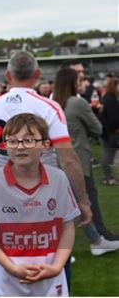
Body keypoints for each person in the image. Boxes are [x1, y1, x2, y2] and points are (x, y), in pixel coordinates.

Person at [0, 51, 92, 226]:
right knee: (49, 243)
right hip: (43, 187)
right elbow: (68, 158)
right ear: (37, 74)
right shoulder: (49, 107)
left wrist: (0, 166)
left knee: (9, 243)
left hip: (5, 187)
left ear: (8, 76)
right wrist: (82, 199)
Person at [0, 113, 80, 296]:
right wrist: (11, 268)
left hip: (50, 283)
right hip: (4, 283)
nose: (20, 147)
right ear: (4, 145)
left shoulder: (58, 179)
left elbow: (67, 227)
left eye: (28, 140)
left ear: (45, 144)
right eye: (12, 141)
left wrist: (57, 267)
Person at [53, 68, 119, 252]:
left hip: (57, 159)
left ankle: (96, 239)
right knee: (87, 200)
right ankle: (98, 239)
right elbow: (97, 129)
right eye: (80, 79)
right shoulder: (77, 103)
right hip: (77, 158)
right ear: (72, 82)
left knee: (69, 203)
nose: (83, 83)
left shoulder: (54, 102)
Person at [101, 76, 119, 185]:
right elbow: (114, 118)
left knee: (109, 154)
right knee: (108, 155)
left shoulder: (108, 97)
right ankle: (108, 178)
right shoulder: (110, 99)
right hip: (111, 132)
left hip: (108, 131)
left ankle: (108, 176)